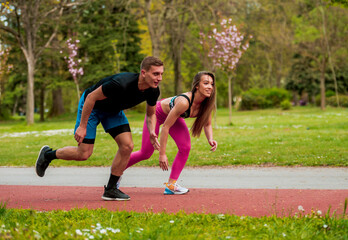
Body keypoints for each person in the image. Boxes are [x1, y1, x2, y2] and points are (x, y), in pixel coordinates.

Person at [35, 56, 164, 201]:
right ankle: (48, 155)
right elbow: (90, 97)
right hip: (93, 108)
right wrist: (83, 126)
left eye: (161, 74)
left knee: (127, 146)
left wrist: (152, 131)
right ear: (143, 73)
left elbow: (151, 114)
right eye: (155, 74)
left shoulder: (153, 91)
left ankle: (111, 189)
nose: (159, 78)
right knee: (83, 154)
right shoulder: (121, 83)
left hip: (113, 112)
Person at [122, 71, 218, 194]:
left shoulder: (206, 105)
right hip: (156, 114)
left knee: (185, 147)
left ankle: (171, 185)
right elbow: (166, 127)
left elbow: (207, 123)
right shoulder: (184, 102)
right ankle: (117, 171)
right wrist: (162, 154)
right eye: (206, 83)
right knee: (145, 153)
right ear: (197, 86)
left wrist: (210, 138)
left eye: (211, 84)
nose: (210, 87)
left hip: (173, 116)